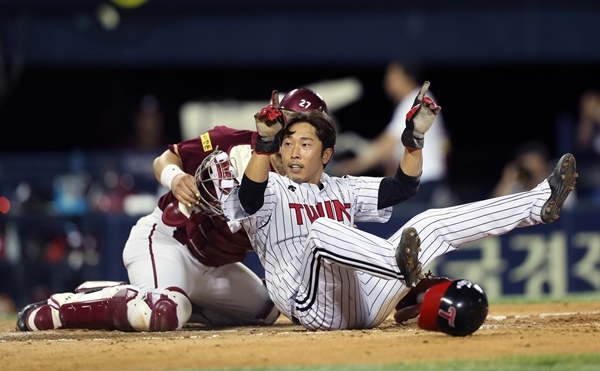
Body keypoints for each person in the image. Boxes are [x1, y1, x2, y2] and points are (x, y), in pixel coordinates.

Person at [222, 81, 578, 332]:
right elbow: (250, 198)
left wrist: (414, 141)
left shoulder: (342, 188)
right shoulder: (269, 187)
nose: (294, 151)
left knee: (429, 223)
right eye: (287, 143)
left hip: (366, 301)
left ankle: (538, 202)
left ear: (326, 154)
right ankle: (400, 268)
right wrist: (264, 142)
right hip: (311, 305)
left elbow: (403, 186)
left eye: (305, 143)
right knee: (323, 230)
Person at [16, 87, 329, 332]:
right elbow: (164, 159)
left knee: (265, 310)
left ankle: (128, 293)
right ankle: (61, 309)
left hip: (216, 266)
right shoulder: (233, 143)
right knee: (162, 312)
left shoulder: (305, 186)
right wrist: (176, 177)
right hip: (169, 241)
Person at [330, 61, 453, 208]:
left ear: (406, 77)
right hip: (423, 180)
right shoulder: (414, 99)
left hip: (423, 181)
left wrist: (345, 169)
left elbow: (384, 147)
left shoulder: (415, 101)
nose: (386, 81)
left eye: (392, 75)